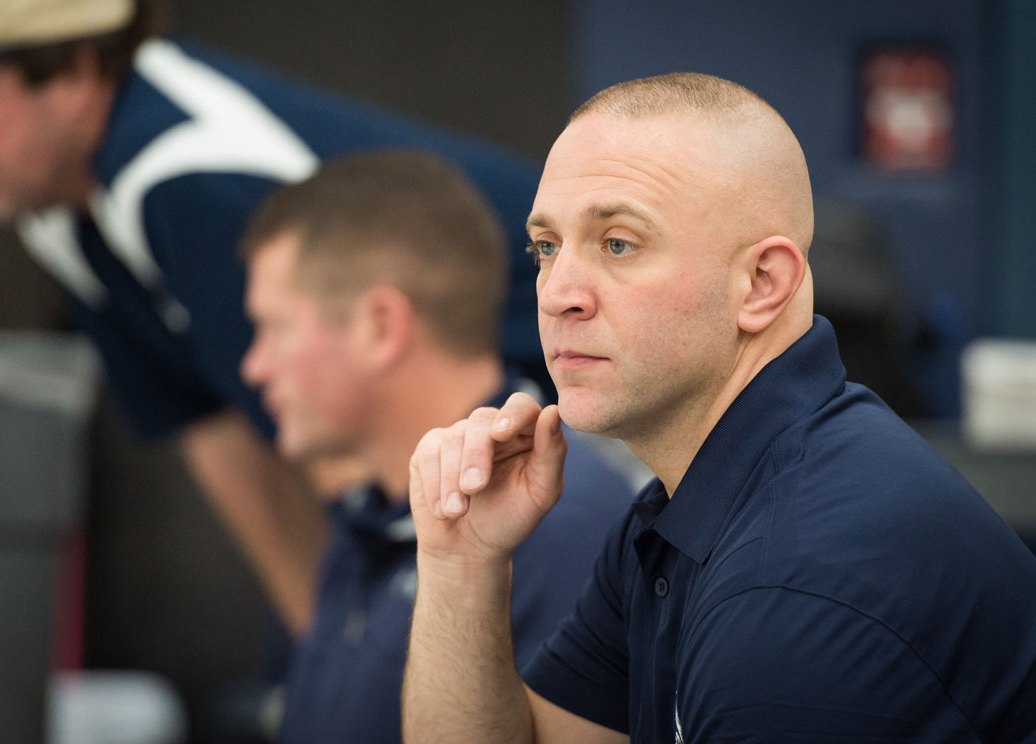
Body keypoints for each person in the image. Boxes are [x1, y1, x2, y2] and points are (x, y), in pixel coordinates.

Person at [0, 0, 547, 638]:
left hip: (549, 387)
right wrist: (323, 641)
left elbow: (346, 426)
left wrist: (376, 658)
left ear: (73, 75)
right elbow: (210, 425)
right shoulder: (59, 213)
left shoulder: (188, 179)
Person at [403, 73, 1036, 743]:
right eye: (546, 248)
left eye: (618, 244)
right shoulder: (692, 507)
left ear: (762, 285)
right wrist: (461, 563)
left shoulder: (795, 588)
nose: (558, 293)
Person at [237, 149, 637, 743]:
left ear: (379, 327)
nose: (254, 367)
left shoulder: (557, 522)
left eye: (276, 328)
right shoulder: (366, 515)